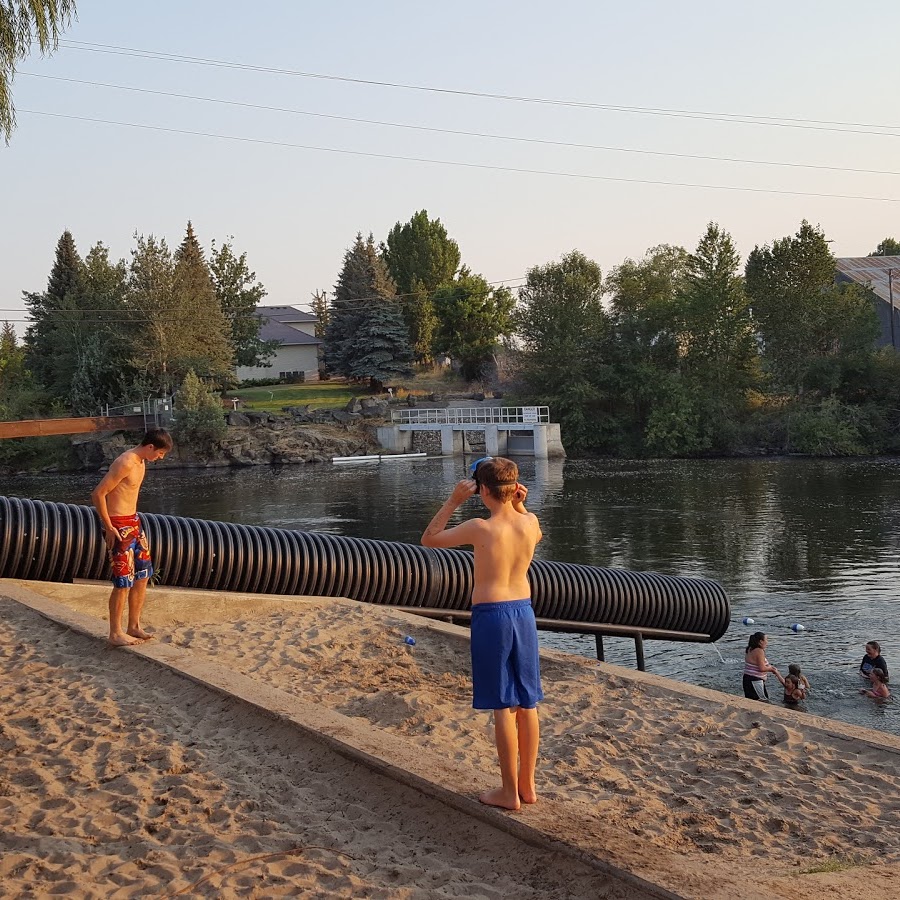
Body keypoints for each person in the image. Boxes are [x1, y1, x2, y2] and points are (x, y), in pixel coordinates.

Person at [421, 456, 543, 811]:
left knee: (503, 706)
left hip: (492, 616)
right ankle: (527, 785)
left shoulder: (480, 528)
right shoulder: (530, 521)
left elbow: (429, 540)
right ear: (513, 489)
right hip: (523, 612)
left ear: (484, 490)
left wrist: (452, 501)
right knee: (528, 702)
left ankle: (508, 793)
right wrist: (520, 505)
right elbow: (535, 532)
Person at [91, 428, 173, 646]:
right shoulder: (126, 462)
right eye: (160, 453)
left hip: (134, 522)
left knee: (143, 574)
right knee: (123, 581)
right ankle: (115, 633)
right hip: (118, 526)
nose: (160, 458)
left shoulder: (141, 462)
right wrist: (108, 527)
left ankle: (134, 626)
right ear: (150, 447)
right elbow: (98, 493)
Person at [743, 632, 783, 702]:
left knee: (750, 701)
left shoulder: (750, 648)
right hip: (755, 681)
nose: (767, 642)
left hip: (747, 678)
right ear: (761, 641)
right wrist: (772, 669)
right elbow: (762, 668)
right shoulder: (759, 651)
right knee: (763, 701)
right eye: (766, 640)